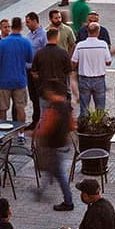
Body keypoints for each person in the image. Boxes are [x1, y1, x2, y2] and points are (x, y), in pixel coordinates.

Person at [33, 82, 76, 211]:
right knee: (53, 170)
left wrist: (36, 135)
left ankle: (68, 201)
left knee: (58, 172)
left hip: (53, 145)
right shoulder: (65, 106)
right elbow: (72, 125)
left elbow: (45, 129)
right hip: (62, 144)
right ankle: (41, 191)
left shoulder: (53, 109)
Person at [0, 18, 34, 123]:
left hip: (4, 81)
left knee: (2, 108)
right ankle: (21, 135)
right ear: (21, 27)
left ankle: (2, 134)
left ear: (12, 27)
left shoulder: (3, 42)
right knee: (20, 108)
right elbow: (30, 59)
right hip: (20, 80)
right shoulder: (26, 42)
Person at [30, 24, 71, 129]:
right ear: (57, 37)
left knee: (44, 117)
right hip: (60, 90)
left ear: (47, 37)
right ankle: (59, 138)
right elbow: (69, 72)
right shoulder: (63, 53)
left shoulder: (39, 53)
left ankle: (44, 139)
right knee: (60, 116)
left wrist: (40, 79)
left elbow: (33, 72)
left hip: (44, 90)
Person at [72, 20, 111, 114]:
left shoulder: (80, 45)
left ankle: (84, 126)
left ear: (87, 31)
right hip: (99, 79)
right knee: (100, 108)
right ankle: (99, 126)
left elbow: (74, 62)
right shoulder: (103, 45)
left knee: (84, 108)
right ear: (98, 32)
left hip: (84, 79)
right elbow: (108, 62)